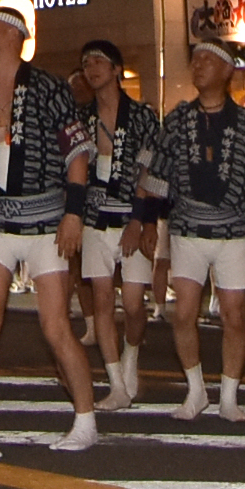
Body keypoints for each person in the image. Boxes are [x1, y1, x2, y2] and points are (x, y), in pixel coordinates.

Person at [0, 0, 97, 459]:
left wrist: (73, 214)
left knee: (55, 326)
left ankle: (86, 420)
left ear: (13, 37)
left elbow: (78, 155)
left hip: (48, 219)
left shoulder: (49, 88)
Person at [156, 36, 245, 415]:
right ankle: (196, 389)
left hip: (234, 228)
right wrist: (141, 220)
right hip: (187, 227)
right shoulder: (179, 118)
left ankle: (229, 397)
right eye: (195, 60)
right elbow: (155, 171)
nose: (197, 66)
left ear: (227, 70)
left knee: (235, 313)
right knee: (183, 313)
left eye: (206, 60)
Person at [69, 37, 159, 404]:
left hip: (130, 215)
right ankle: (116, 384)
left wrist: (142, 221)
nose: (91, 69)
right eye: (86, 63)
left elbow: (152, 171)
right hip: (94, 216)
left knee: (135, 303)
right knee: (102, 298)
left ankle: (131, 356)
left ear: (117, 70)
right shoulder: (82, 119)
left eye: (99, 63)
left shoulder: (141, 116)